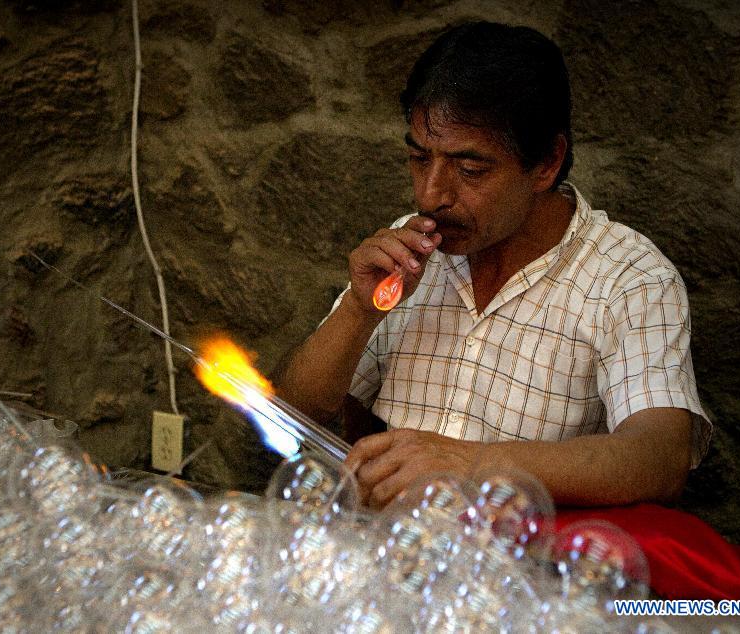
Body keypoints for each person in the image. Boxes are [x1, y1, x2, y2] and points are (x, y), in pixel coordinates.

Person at [276, 21, 711, 510]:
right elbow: (292, 413)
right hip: (379, 560)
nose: (431, 194)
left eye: (471, 169)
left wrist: (470, 462)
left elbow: (659, 457)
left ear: (547, 162)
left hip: (516, 574)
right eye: (420, 159)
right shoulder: (410, 248)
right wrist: (359, 310)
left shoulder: (629, 278)